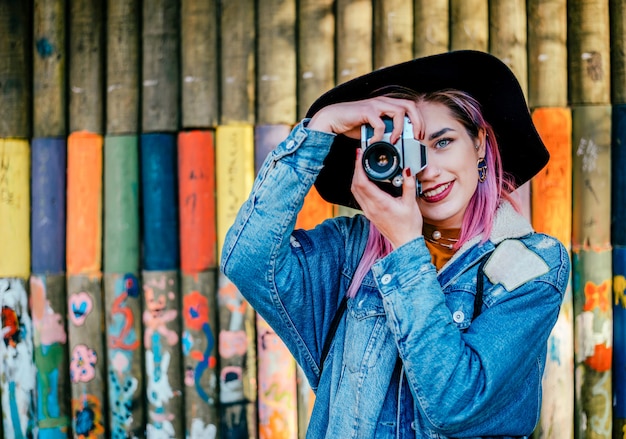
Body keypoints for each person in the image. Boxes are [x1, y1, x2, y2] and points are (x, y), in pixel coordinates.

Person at [220, 50, 570, 438]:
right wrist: (322, 126)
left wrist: (405, 248)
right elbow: (248, 261)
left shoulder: (531, 262)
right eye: (408, 153)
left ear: (480, 143)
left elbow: (455, 403)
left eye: (442, 142)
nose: (427, 170)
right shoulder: (350, 255)